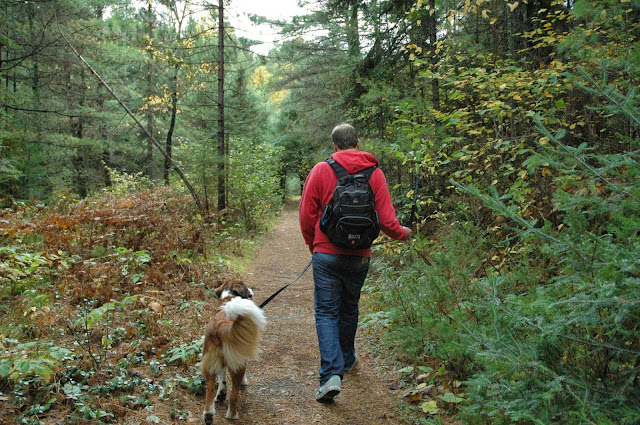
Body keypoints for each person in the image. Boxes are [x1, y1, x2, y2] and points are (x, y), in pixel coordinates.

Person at [299, 123, 413, 402]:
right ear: (358, 142)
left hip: (326, 254)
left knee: (326, 312)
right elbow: (386, 220)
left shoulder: (321, 170)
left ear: (335, 146)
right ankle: (347, 359)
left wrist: (314, 246)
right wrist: (402, 233)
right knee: (349, 308)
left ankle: (330, 376)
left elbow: (305, 215)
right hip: (360, 255)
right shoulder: (375, 173)